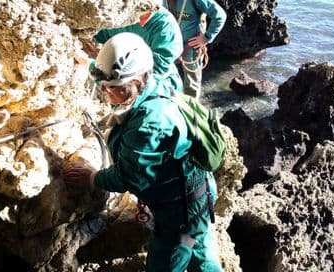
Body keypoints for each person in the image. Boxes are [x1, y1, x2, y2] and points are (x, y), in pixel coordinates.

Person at [64, 32, 222, 272]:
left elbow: (129, 176)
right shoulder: (155, 81)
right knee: (200, 246)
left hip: (178, 214)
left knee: (167, 261)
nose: (107, 95)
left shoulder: (149, 124)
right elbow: (111, 77)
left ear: (138, 81)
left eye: (114, 89)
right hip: (197, 193)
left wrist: (92, 178)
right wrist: (89, 64)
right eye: (104, 88)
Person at [82, 1, 184, 93]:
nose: (141, 22)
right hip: (119, 81)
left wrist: (92, 67)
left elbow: (151, 76)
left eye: (146, 15)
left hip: (156, 92)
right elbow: (100, 34)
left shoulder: (165, 28)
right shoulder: (122, 14)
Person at [161, 0, 226, 100]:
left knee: (191, 85)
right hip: (168, 45)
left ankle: (191, 106)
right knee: (164, 79)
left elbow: (220, 15)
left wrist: (206, 37)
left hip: (191, 47)